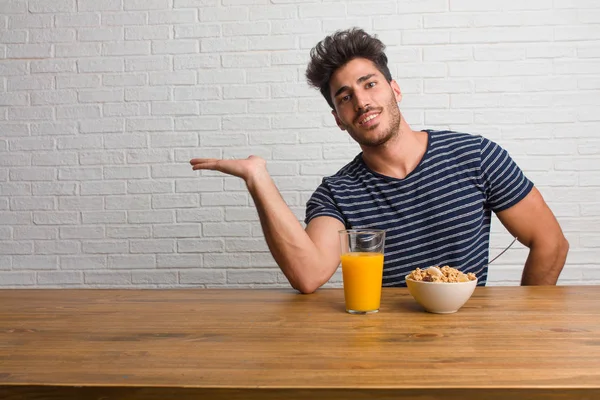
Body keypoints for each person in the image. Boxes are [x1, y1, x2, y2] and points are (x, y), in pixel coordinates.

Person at [190, 28, 569, 293]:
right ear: (338, 119)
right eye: (344, 97)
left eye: (369, 84)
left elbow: (550, 242)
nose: (361, 102)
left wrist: (525, 322)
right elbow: (308, 275)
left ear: (395, 89)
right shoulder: (336, 194)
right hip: (379, 349)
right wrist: (258, 179)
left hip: (469, 343)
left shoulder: (476, 156)